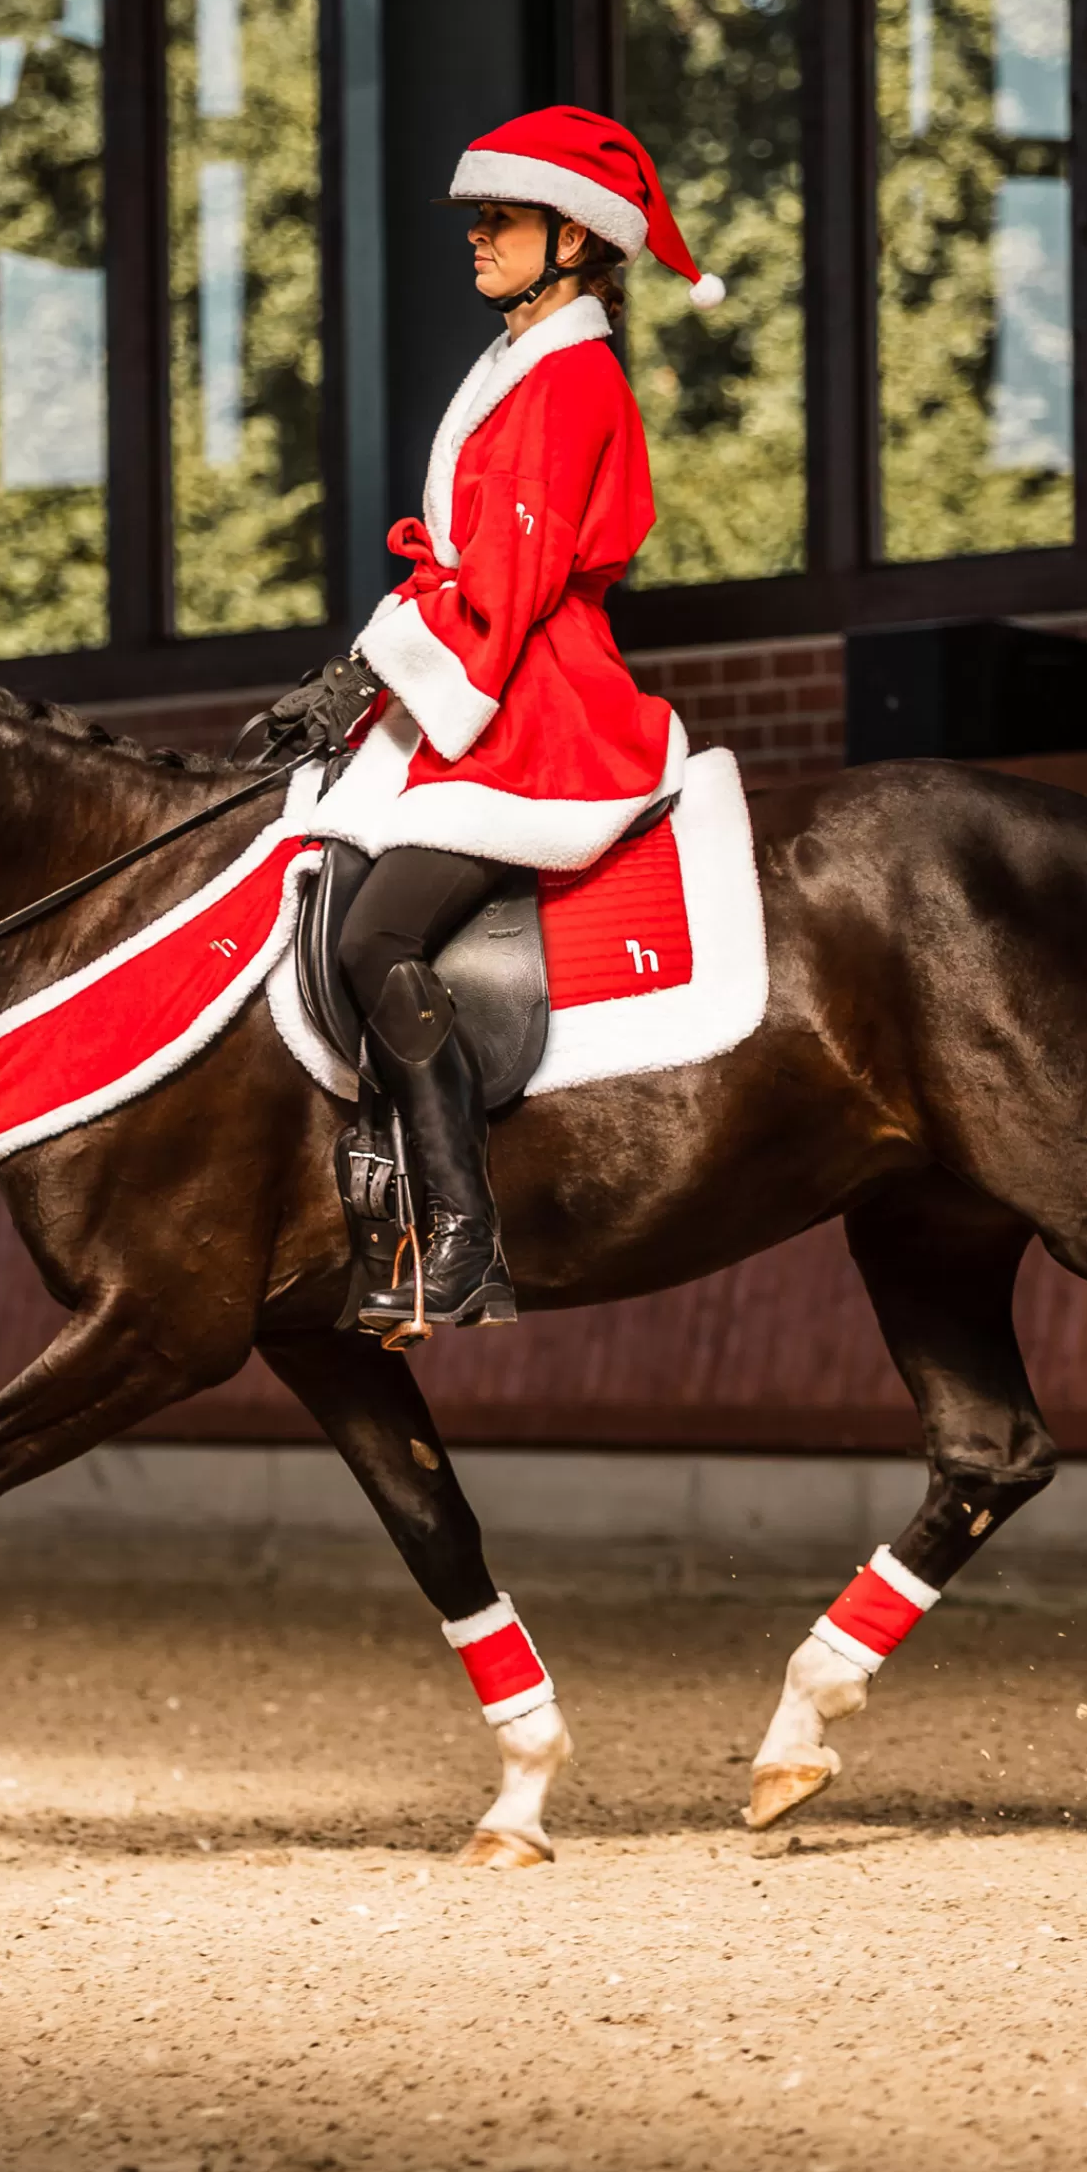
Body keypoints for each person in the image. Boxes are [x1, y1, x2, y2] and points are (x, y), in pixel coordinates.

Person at [268, 105, 726, 1334]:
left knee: (373, 943)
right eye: (478, 215)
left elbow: (509, 589)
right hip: (486, 672)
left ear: (574, 240)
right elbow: (462, 573)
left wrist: (384, 674)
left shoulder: (570, 379)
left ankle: (461, 1240)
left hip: (538, 704)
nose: (476, 235)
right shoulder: (523, 363)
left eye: (502, 218)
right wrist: (353, 675)